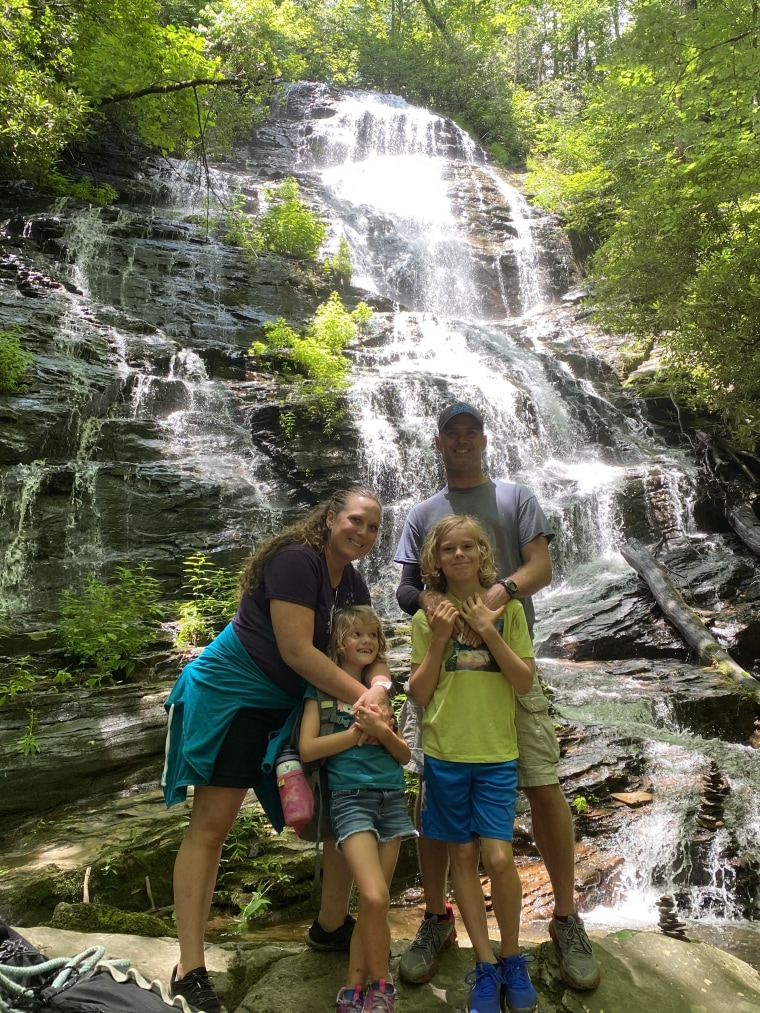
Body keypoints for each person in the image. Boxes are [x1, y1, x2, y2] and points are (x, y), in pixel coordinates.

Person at [162, 488, 396, 1013]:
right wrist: (365, 698)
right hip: (236, 699)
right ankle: (190, 968)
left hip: (301, 707)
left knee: (341, 812)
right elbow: (295, 650)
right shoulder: (296, 560)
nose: (363, 533)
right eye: (355, 521)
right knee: (212, 826)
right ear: (331, 518)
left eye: (374, 527)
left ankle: (330, 926)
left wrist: (379, 686)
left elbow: (373, 646)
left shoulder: (350, 579)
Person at [395, 403, 600, 991]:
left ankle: (565, 917)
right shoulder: (422, 513)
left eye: (470, 433)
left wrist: (499, 595)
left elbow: (541, 566)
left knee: (542, 782)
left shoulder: (516, 497)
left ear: (483, 440)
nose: (461, 441)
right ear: (438, 442)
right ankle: (437, 917)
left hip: (510, 659)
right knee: (433, 792)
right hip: (448, 677)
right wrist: (429, 608)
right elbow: (407, 586)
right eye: (451, 434)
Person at [409, 515, 537, 1013]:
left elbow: (523, 682)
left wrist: (489, 630)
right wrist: (441, 638)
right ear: (436, 560)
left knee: (500, 858)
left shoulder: (509, 611)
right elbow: (419, 694)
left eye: (468, 547)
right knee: (461, 858)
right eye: (449, 549)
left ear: (483, 554)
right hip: (445, 754)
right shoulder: (426, 619)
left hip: (496, 753)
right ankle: (484, 965)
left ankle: (512, 955)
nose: (458, 555)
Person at [299, 605, 417, 1013]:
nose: (366, 642)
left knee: (376, 904)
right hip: (350, 801)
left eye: (372, 635)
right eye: (356, 635)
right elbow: (309, 749)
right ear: (339, 643)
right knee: (372, 894)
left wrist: (382, 729)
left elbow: (403, 755)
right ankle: (365, 984)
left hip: (391, 800)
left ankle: (369, 988)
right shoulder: (320, 691)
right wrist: (355, 735)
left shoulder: (382, 695)